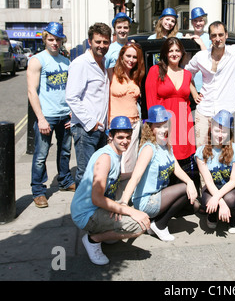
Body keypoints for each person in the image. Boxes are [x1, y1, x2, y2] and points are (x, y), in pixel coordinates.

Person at [71, 116, 150, 265]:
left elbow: (116, 177)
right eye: (120, 137)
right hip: (86, 213)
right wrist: (129, 211)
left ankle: (101, 231)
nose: (125, 141)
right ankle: (92, 239)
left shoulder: (116, 152)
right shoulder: (105, 158)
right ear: (110, 136)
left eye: (128, 137)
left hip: (97, 207)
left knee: (114, 239)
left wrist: (136, 173)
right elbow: (97, 199)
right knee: (140, 225)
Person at [120, 105, 198, 242]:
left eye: (165, 125)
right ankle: (160, 225)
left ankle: (154, 221)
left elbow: (177, 168)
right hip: (146, 200)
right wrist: (124, 204)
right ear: (150, 127)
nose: (163, 130)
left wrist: (191, 182)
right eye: (158, 126)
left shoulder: (166, 145)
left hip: (158, 195)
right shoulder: (149, 148)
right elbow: (136, 177)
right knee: (185, 190)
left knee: (195, 205)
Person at [27, 22, 75, 208]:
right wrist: (40, 118)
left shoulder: (66, 61)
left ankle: (64, 180)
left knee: (65, 152)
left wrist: (72, 112)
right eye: (51, 39)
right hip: (46, 116)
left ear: (63, 40)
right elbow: (32, 91)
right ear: (45, 39)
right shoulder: (37, 60)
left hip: (65, 115)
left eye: (58, 39)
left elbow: (70, 90)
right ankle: (38, 191)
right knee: (40, 155)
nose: (55, 43)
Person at [66, 23, 112, 187]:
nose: (101, 46)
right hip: (86, 130)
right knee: (85, 175)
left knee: (98, 174)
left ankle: (93, 210)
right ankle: (81, 212)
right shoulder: (81, 64)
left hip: (100, 130)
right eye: (98, 42)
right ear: (89, 41)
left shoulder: (103, 62)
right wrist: (90, 122)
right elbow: (71, 97)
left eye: (105, 42)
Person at [185, 21, 235, 149]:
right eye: (214, 35)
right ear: (210, 37)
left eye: (221, 35)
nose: (218, 39)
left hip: (229, 110)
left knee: (229, 154)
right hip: (204, 111)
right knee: (202, 153)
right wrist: (194, 92)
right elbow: (186, 74)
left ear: (226, 35)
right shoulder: (200, 57)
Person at [145, 37, 196, 173]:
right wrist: (156, 127)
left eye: (177, 50)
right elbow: (151, 101)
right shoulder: (155, 70)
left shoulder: (187, 74)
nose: (174, 54)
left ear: (182, 53)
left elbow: (187, 103)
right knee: (164, 163)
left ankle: (183, 192)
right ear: (165, 54)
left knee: (183, 164)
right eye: (171, 51)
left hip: (183, 125)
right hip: (164, 123)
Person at [195, 110, 235, 234]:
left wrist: (219, 199)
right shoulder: (201, 152)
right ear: (210, 130)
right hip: (212, 186)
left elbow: (234, 181)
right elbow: (208, 181)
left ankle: (233, 219)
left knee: (230, 199)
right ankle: (213, 215)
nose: (220, 135)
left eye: (224, 131)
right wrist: (220, 202)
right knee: (208, 201)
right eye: (217, 131)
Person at [109, 42, 145, 174]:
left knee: (129, 163)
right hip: (115, 125)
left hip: (134, 125)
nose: (131, 60)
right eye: (128, 56)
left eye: (135, 57)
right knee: (114, 162)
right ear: (121, 56)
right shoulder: (110, 73)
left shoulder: (137, 76)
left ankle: (126, 193)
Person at [184, 7, 212, 95]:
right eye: (195, 21)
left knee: (200, 108)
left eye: (201, 20)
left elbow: (210, 60)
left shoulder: (210, 38)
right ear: (192, 22)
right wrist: (186, 43)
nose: (198, 23)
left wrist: (201, 44)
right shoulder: (187, 37)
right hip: (187, 82)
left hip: (204, 84)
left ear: (204, 22)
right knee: (182, 108)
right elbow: (184, 62)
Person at [105, 12, 132, 77]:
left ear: (129, 29)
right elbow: (104, 71)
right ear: (115, 29)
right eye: (119, 27)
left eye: (125, 27)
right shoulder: (108, 49)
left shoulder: (133, 48)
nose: (122, 30)